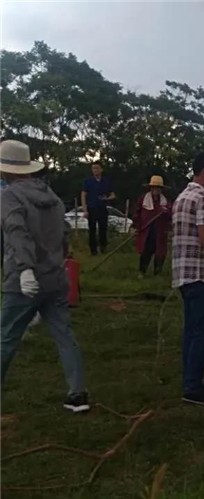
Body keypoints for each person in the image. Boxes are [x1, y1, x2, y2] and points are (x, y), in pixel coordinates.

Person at [0, 139, 90, 412]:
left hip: (23, 280)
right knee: (64, 335)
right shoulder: (51, 196)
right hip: (55, 277)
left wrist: (26, 269)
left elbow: (17, 232)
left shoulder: (9, 196)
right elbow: (64, 235)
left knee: (6, 337)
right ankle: (78, 394)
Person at [171, 151, 204, 406]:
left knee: (192, 329)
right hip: (200, 272)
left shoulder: (183, 196)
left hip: (183, 272)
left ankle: (191, 380)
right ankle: (192, 387)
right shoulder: (203, 198)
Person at [134, 175, 172, 277]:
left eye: (158, 188)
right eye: (154, 187)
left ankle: (157, 273)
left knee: (160, 252)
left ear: (161, 189)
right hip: (147, 230)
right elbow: (137, 214)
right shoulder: (143, 199)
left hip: (160, 231)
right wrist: (137, 226)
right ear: (151, 188)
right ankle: (142, 272)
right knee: (146, 251)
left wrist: (166, 212)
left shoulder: (165, 202)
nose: (156, 190)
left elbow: (170, 216)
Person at [81, 161, 115, 256]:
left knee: (103, 229)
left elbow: (113, 195)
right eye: (93, 168)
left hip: (102, 208)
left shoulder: (106, 181)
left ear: (101, 169)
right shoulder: (88, 181)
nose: (95, 170)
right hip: (91, 208)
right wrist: (85, 210)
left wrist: (107, 198)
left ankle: (103, 248)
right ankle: (93, 250)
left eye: (97, 168)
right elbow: (83, 195)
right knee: (92, 230)